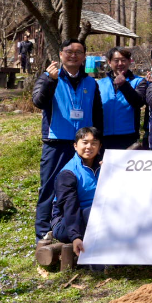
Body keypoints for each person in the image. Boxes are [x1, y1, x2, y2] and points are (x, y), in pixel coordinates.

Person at [32, 39, 103, 244]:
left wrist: (99, 143)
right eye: (69, 51)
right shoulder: (49, 76)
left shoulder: (91, 82)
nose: (73, 55)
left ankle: (77, 228)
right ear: (61, 54)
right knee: (48, 187)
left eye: (79, 52)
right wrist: (50, 81)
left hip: (84, 145)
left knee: (82, 186)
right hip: (56, 141)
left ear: (84, 57)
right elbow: (38, 102)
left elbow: (98, 115)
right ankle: (43, 233)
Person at [52, 127, 102, 256]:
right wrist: (75, 236)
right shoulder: (68, 173)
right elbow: (69, 206)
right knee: (94, 212)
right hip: (67, 223)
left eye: (94, 143)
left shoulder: (105, 166)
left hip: (97, 217)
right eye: (84, 142)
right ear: (75, 146)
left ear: (99, 146)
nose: (89, 147)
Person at [98, 47, 146, 150]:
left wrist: (124, 85)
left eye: (123, 60)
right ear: (109, 62)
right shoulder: (100, 83)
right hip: (104, 135)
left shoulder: (139, 81)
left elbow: (138, 102)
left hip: (128, 135)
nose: (120, 63)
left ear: (129, 61)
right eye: (116, 60)